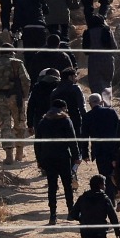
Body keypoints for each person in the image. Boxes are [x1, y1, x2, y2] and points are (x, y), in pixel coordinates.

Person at [0, 42, 31, 163]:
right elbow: (26, 80)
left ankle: (9, 155)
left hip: (0, 98)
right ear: (12, 52)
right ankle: (19, 153)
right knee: (20, 123)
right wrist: (24, 96)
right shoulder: (17, 63)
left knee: (5, 125)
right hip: (16, 97)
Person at [34, 96, 79, 225]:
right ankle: (71, 212)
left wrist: (39, 159)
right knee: (67, 185)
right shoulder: (66, 120)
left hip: (48, 157)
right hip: (64, 156)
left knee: (52, 186)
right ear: (63, 108)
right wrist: (76, 157)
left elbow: (37, 143)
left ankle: (53, 215)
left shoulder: (43, 121)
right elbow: (72, 140)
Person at [80, 14, 117, 99]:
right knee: (107, 84)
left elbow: (85, 50)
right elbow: (114, 47)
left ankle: (97, 105)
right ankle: (107, 106)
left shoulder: (87, 33)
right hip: (108, 60)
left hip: (93, 61)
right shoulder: (107, 30)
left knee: (95, 85)